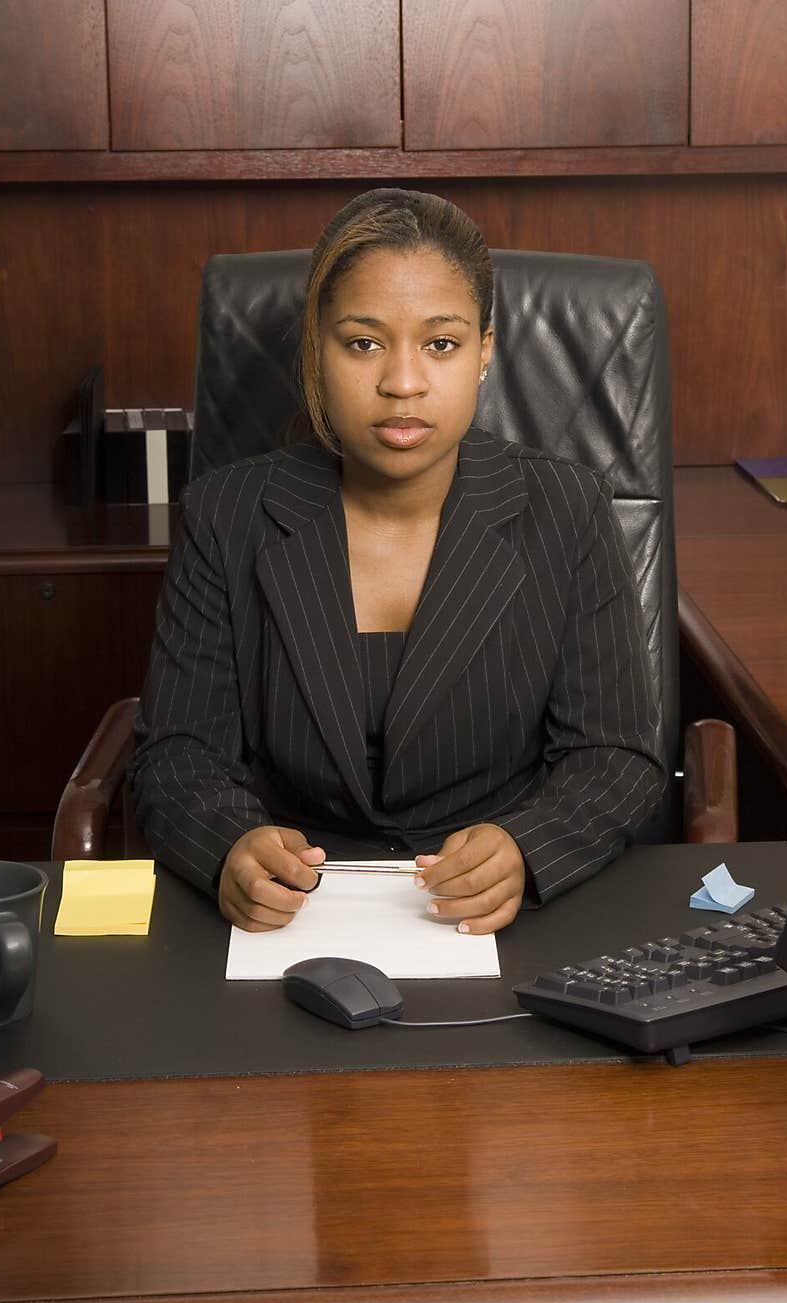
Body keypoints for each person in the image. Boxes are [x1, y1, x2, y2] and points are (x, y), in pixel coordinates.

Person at [130, 187, 666, 937]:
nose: (403, 383)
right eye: (364, 343)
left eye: (441, 344)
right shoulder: (226, 516)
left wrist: (526, 849)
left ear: (484, 350)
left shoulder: (566, 509)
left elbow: (616, 754)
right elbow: (177, 753)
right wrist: (230, 848)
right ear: (316, 349)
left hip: (494, 917)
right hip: (291, 916)